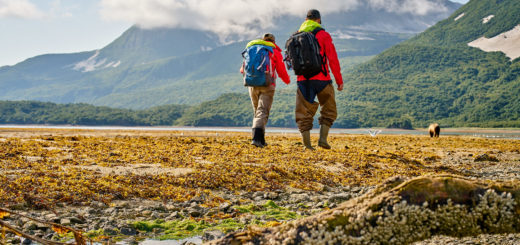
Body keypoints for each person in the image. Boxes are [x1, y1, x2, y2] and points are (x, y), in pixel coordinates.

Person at [294, 9, 343, 150]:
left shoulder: (296, 36)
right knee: (329, 109)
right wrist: (339, 80)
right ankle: (322, 140)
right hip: (322, 79)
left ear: (306, 20)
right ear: (319, 20)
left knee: (303, 113)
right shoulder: (323, 35)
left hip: (303, 79)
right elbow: (333, 59)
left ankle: (307, 145)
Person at [241, 33, 291, 147]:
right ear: (273, 41)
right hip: (267, 85)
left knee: (257, 111)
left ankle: (261, 139)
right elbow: (281, 70)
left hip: (251, 84)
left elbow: (242, 69)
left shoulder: (252, 49)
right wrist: (287, 81)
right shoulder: (273, 51)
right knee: (262, 112)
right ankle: (257, 139)